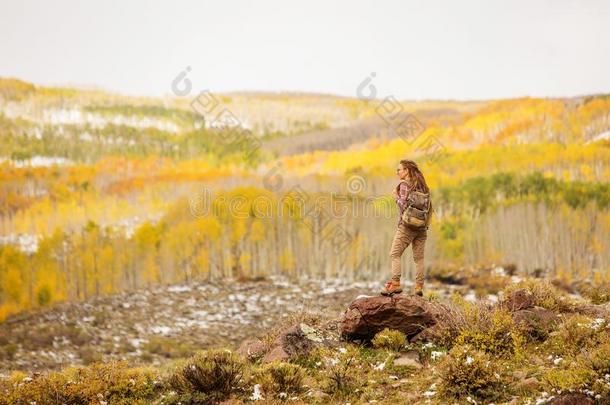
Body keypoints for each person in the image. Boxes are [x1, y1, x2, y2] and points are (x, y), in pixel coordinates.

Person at [381, 159, 431, 297]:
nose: (397, 172)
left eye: (399, 170)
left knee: (395, 254)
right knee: (419, 258)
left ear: (407, 171)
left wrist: (396, 197)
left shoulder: (404, 185)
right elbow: (428, 207)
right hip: (421, 227)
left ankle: (395, 283)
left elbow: (403, 205)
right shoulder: (423, 185)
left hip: (407, 226)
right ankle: (419, 286)